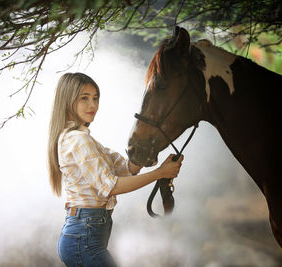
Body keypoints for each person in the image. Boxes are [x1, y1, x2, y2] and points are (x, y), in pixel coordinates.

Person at [47, 72, 184, 267]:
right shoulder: (78, 140)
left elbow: (127, 170)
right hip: (84, 237)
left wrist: (149, 146)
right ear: (68, 101)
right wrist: (160, 173)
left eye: (95, 98)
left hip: (85, 234)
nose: (92, 105)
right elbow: (111, 186)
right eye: (84, 98)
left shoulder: (88, 140)